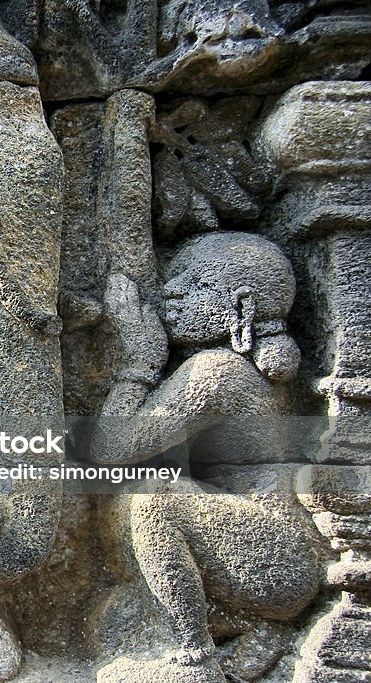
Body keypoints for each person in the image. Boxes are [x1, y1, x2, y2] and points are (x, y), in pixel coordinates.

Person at [90, 232, 321, 679]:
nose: (171, 293)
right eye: (173, 280)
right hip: (274, 557)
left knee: (152, 500)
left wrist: (139, 362)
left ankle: (195, 655)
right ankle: (252, 632)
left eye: (195, 285)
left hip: (276, 557)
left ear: (242, 307)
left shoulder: (218, 372)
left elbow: (110, 449)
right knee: (116, 618)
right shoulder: (240, 366)